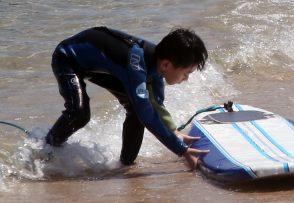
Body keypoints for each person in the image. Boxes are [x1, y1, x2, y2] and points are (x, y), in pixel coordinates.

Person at [43, 26, 210, 169]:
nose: (186, 78)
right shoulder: (137, 65)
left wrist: (175, 133)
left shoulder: (160, 62)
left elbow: (155, 103)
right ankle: (46, 149)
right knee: (79, 113)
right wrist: (182, 150)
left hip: (97, 66)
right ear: (166, 65)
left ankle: (125, 166)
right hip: (68, 58)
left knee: (135, 110)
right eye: (186, 73)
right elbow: (147, 115)